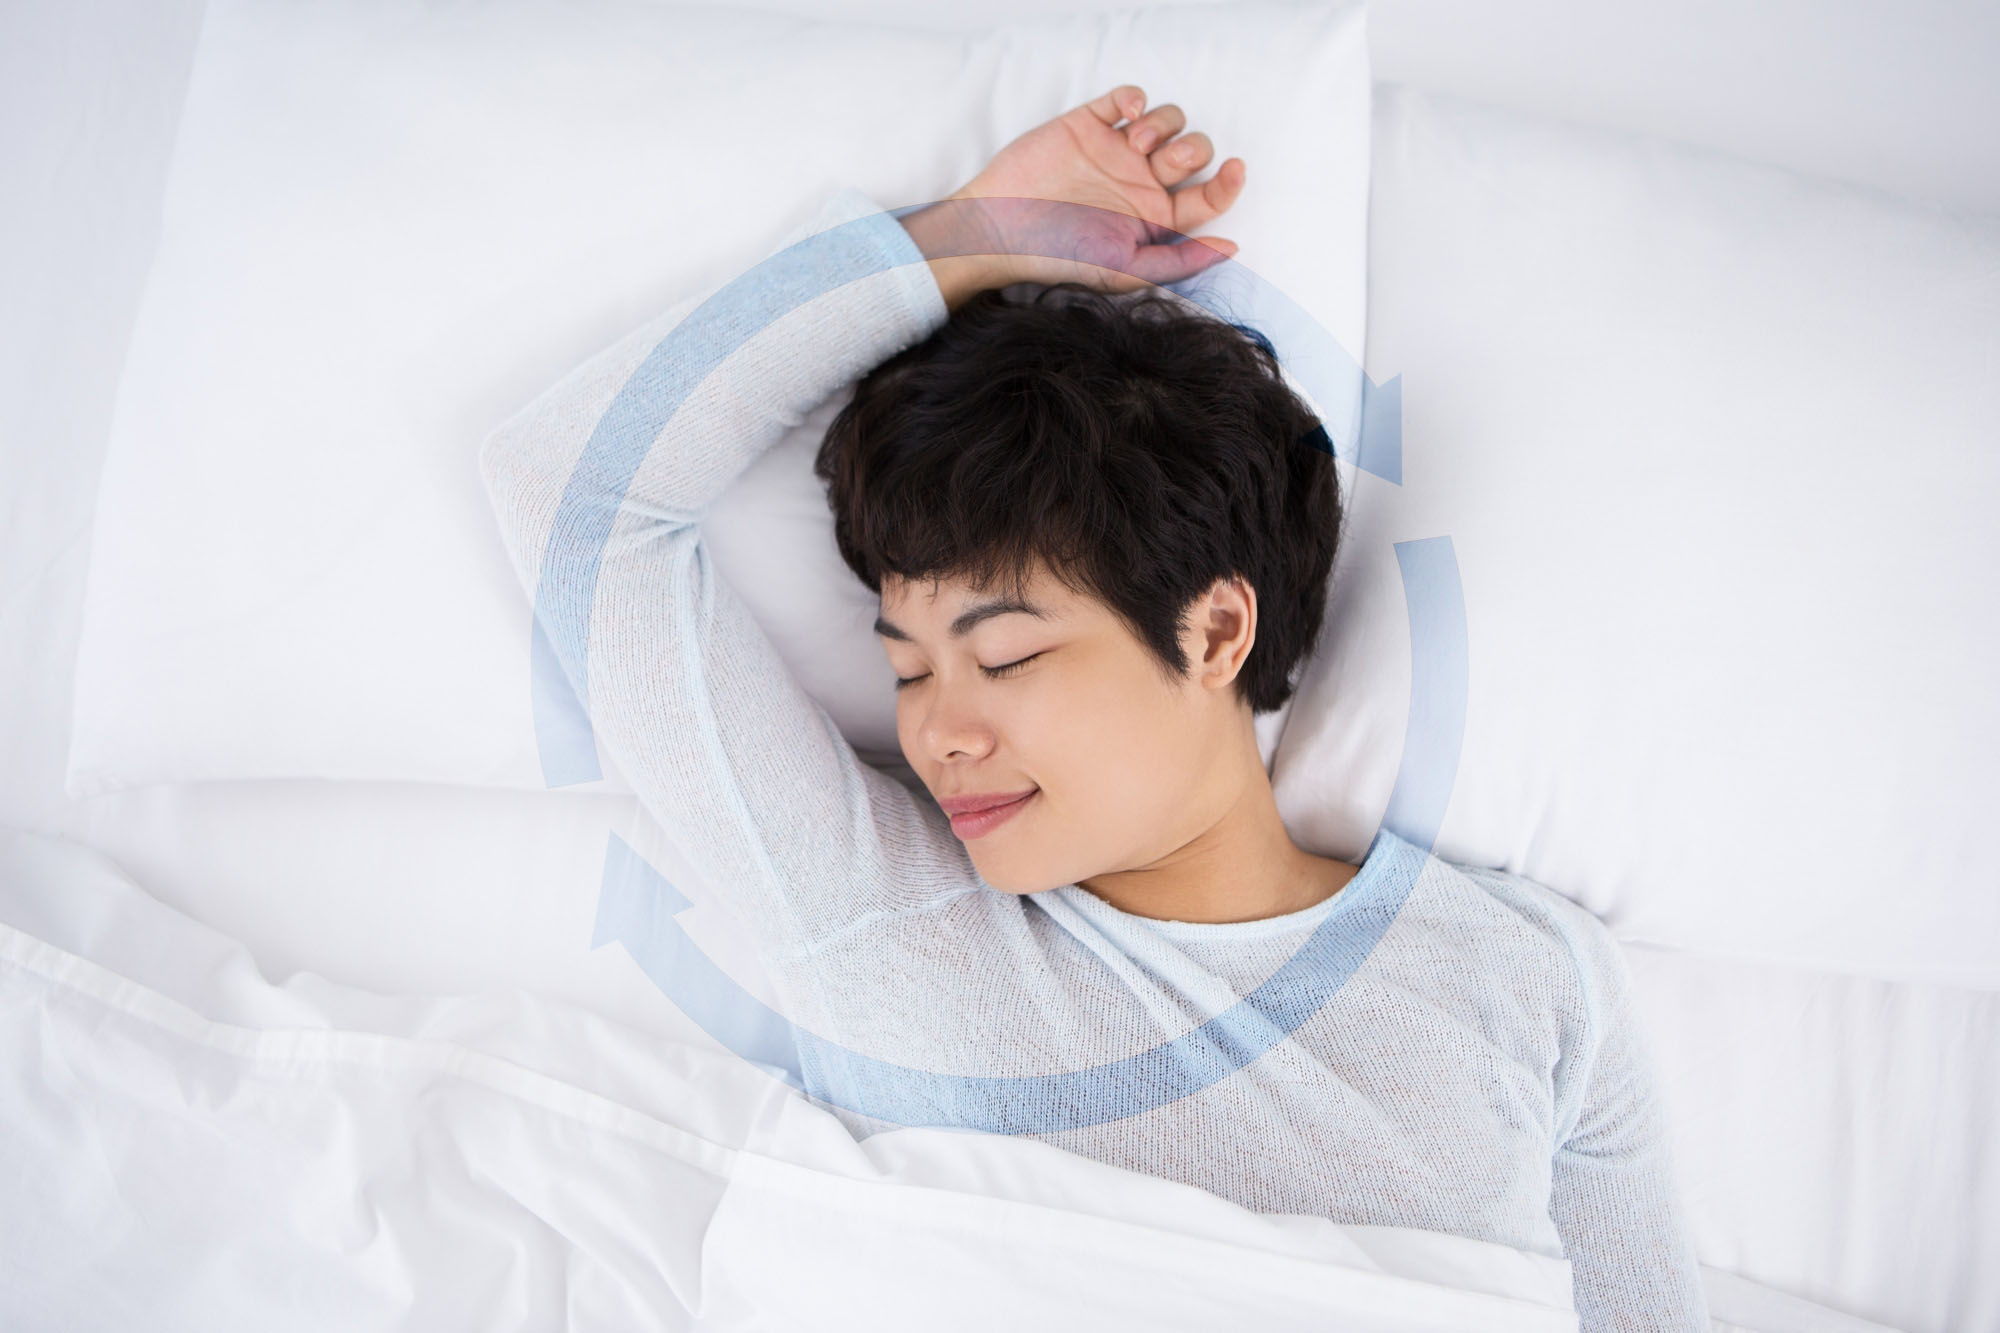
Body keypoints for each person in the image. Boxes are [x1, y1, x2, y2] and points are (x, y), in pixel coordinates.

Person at [478, 85, 1710, 1331]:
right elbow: (575, 491)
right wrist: (957, 240)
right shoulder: (880, 915)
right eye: (906, 668)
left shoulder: (1526, 979)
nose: (937, 730)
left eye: (1002, 655)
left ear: (1215, 629)